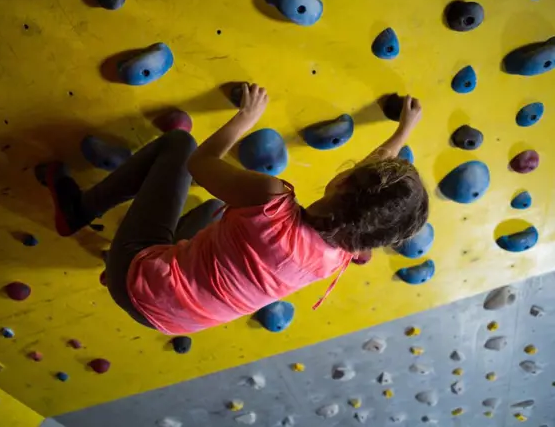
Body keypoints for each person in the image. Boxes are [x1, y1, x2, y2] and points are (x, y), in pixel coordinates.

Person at [40, 84, 428, 335]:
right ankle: (122, 273)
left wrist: (245, 118)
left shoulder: (270, 200)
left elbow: (200, 162)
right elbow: (367, 184)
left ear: (345, 181)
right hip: (174, 321)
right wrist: (402, 132)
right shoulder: (339, 256)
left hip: (138, 278)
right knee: (214, 208)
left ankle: (78, 211)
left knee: (177, 146)